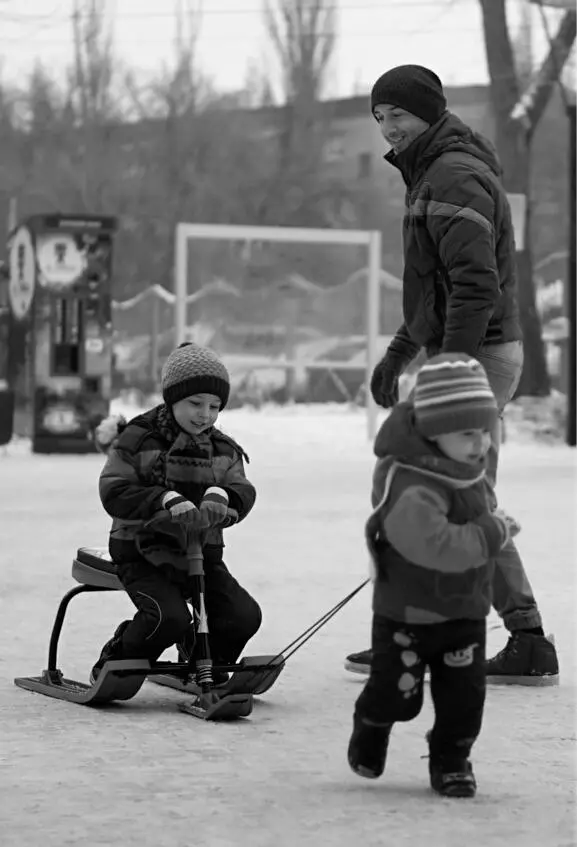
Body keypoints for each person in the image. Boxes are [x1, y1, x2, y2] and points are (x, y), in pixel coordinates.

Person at [344, 64, 558, 685]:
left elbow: (474, 286)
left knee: (459, 501)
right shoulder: (432, 173)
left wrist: (453, 373)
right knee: (423, 489)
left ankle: (525, 639)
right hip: (465, 352)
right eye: (380, 118)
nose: (389, 129)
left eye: (399, 116)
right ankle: (420, 630)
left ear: (429, 114)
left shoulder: (453, 175)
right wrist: (400, 352)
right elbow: (439, 290)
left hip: (478, 356)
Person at [348, 354, 520, 797]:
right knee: (397, 695)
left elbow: (474, 520)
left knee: (464, 701)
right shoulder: (413, 486)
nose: (481, 443)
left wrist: (491, 524)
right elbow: (436, 546)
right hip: (407, 614)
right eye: (468, 433)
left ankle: (451, 758)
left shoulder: (466, 470)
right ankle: (373, 721)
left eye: (486, 430)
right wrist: (492, 531)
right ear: (432, 431)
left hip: (463, 612)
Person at [90, 342, 262, 684]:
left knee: (242, 616)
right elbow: (114, 489)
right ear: (172, 398)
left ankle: (203, 662)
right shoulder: (140, 438)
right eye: (195, 403)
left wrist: (223, 495)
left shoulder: (223, 449)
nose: (205, 415)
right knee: (168, 617)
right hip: (141, 551)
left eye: (215, 407)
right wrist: (162, 498)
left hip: (200, 553)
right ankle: (118, 660)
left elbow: (242, 488)